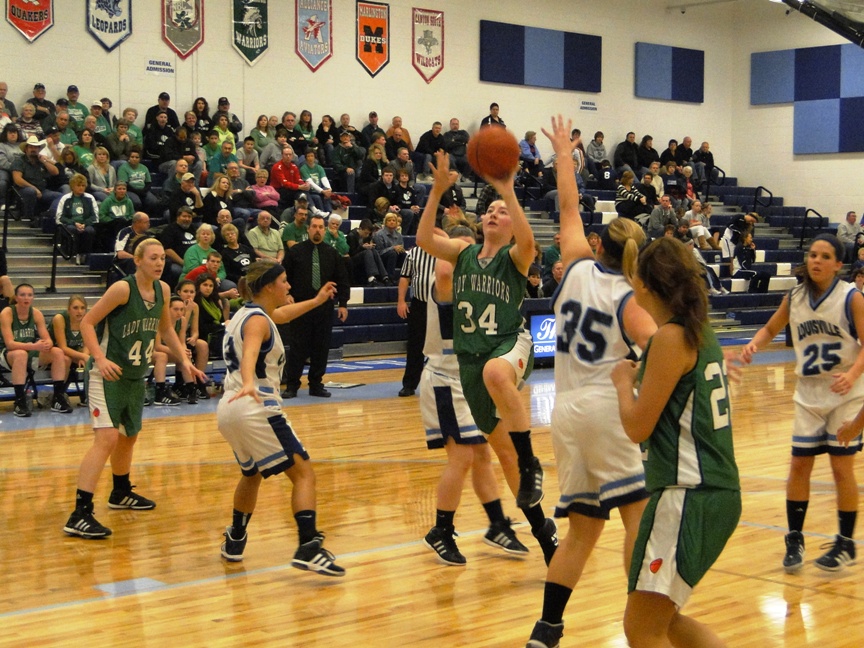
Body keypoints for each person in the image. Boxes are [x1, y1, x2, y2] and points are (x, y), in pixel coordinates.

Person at [525, 116, 656, 648]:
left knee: (582, 530)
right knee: (638, 518)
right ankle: (643, 619)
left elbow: (568, 208)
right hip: (606, 409)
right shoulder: (631, 299)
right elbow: (658, 349)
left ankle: (547, 628)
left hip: (565, 412)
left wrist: (563, 155)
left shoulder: (576, 268)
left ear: (600, 245)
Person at [417, 148, 557, 564]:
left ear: (513, 225)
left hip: (509, 344)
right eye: (490, 210)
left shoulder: (515, 257)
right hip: (468, 365)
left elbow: (528, 241)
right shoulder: (462, 255)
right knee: (501, 455)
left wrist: (508, 191)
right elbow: (424, 240)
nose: (495, 213)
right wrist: (436, 192)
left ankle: (531, 462)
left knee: (498, 376)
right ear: (480, 221)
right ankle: (543, 531)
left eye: (503, 212)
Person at [609, 236, 740, 648]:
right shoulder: (700, 333)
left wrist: (622, 384)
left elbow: (637, 427)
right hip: (710, 492)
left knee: (642, 630)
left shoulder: (669, 338)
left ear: (645, 285)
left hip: (688, 493)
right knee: (665, 622)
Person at [63, 239, 204, 538]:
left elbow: (165, 328)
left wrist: (184, 360)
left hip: (135, 375)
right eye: (153, 258)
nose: (159, 263)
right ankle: (80, 513)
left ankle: (120, 491)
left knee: (129, 436)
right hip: (107, 374)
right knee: (107, 438)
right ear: (137, 260)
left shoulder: (162, 289)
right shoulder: (122, 289)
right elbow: (87, 323)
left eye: (162, 258)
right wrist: (99, 358)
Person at [742, 234, 864, 573]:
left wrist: (852, 374)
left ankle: (845, 542)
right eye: (812, 255)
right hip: (809, 393)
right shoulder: (794, 296)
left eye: (825, 256)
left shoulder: (851, 298)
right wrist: (754, 344)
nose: (816, 261)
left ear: (838, 264)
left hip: (845, 393)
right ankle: (794, 537)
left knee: (841, 468)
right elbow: (771, 328)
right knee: (798, 465)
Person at [217, 260, 344, 576]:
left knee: (252, 474)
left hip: (230, 408)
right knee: (304, 474)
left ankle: (235, 538)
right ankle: (308, 545)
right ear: (269, 286)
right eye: (284, 281)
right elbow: (251, 352)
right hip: (255, 404)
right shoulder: (257, 322)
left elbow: (283, 315)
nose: (288, 286)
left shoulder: (247, 314)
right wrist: (249, 380)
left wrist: (316, 301)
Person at [422, 223, 529, 565]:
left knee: (482, 454)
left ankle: (497, 523)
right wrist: (444, 245)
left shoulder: (482, 281)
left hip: (467, 379)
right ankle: (441, 529)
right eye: (462, 252)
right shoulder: (446, 278)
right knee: (462, 457)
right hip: (444, 378)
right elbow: (443, 269)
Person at [281, 214, 350, 398]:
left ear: (324, 230)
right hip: (300, 306)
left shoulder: (332, 253)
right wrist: (286, 295)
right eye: (314, 226)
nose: (317, 230)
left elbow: (342, 279)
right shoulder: (295, 251)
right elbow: (283, 276)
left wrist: (343, 304)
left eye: (321, 227)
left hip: (324, 307)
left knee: (321, 347)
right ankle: (292, 385)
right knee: (298, 347)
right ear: (308, 229)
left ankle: (316, 384)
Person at [0, 283, 73, 417]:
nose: (26, 298)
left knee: (57, 352)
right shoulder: (7, 312)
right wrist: (34, 346)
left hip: (30, 351)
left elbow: (47, 339)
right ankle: (20, 401)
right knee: (21, 354)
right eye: (22, 295)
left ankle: (57, 398)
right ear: (16, 297)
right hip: (8, 353)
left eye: (29, 295)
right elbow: (10, 344)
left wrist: (47, 344)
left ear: (33, 297)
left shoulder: (36, 313)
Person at [397, 242, 437, 397]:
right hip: (420, 303)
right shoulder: (414, 253)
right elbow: (404, 277)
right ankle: (409, 384)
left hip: (442, 304)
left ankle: (440, 382)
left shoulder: (444, 251)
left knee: (442, 345)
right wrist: (401, 301)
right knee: (415, 345)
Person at [51, 295, 89, 405]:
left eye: (82, 308)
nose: (79, 311)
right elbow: (62, 347)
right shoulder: (60, 319)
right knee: (66, 359)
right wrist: (82, 356)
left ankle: (88, 395)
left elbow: (87, 344)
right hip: (54, 353)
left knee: (93, 360)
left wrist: (83, 356)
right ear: (68, 309)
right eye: (75, 308)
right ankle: (59, 395)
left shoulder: (88, 320)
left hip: (74, 353)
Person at [55, 173, 99, 265]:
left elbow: (95, 217)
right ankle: (73, 255)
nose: (81, 188)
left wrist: (85, 224)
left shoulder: (90, 198)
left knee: (89, 231)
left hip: (85, 224)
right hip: (70, 224)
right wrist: (74, 223)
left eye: (83, 185)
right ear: (72, 186)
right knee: (71, 229)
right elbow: (60, 217)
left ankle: (84, 255)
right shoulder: (65, 198)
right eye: (78, 185)